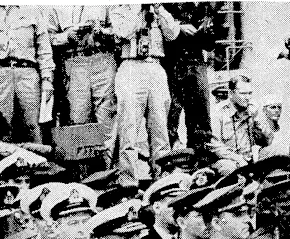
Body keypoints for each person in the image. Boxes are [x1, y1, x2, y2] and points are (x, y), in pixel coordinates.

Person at [111, 4, 180, 188]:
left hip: (155, 65)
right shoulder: (121, 7)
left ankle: (163, 179)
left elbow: (173, 33)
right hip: (131, 65)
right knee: (129, 129)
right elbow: (123, 31)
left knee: (160, 129)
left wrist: (158, 9)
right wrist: (137, 8)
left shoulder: (156, 7)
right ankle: (128, 182)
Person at [0, 5, 54, 144]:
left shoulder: (33, 8)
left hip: (28, 74)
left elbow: (43, 47)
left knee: (33, 127)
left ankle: (37, 164)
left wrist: (47, 79)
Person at [46, 6, 117, 161]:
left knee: (107, 117)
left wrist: (101, 31)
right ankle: (85, 175)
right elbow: (47, 38)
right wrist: (68, 36)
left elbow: (120, 30)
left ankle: (108, 170)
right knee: (78, 119)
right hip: (74, 60)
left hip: (102, 58)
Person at [163, 2, 215, 157]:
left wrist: (204, 30)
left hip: (195, 63)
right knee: (168, 119)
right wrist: (179, 27)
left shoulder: (203, 6)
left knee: (201, 123)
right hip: (169, 63)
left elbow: (209, 44)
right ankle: (170, 165)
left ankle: (201, 164)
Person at [208, 75, 275, 176]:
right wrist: (238, 159)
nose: (248, 97)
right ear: (231, 94)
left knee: (276, 153)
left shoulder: (252, 109)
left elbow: (267, 142)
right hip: (228, 160)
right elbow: (215, 147)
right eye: (243, 93)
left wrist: (257, 121)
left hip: (250, 158)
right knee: (228, 168)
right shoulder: (218, 113)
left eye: (250, 93)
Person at [141, 173, 192, 239]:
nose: (182, 210)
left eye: (183, 204)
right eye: (174, 205)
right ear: (157, 207)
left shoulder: (189, 238)